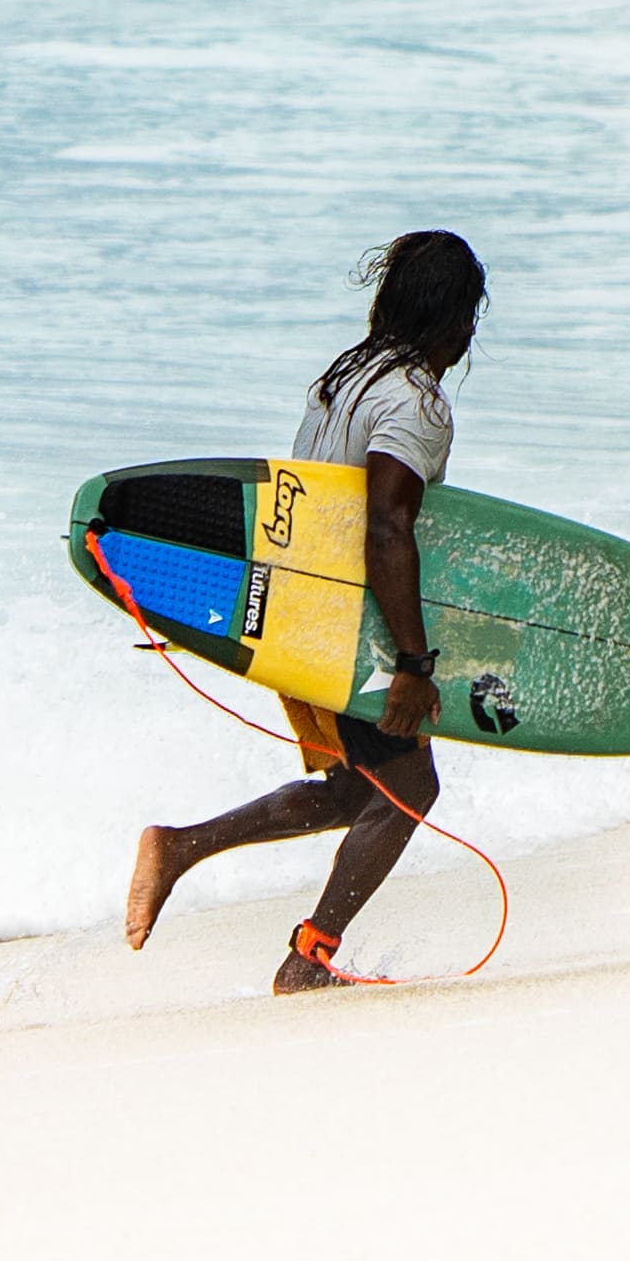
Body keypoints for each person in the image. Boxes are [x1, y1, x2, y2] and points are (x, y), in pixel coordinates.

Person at [120, 231, 483, 991]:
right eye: (468, 317)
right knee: (411, 789)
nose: (468, 335)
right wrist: (413, 664)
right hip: (345, 630)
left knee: (356, 791)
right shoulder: (415, 403)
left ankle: (179, 847)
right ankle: (306, 956)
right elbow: (385, 527)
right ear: (450, 317)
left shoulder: (345, 379)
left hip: (292, 614)